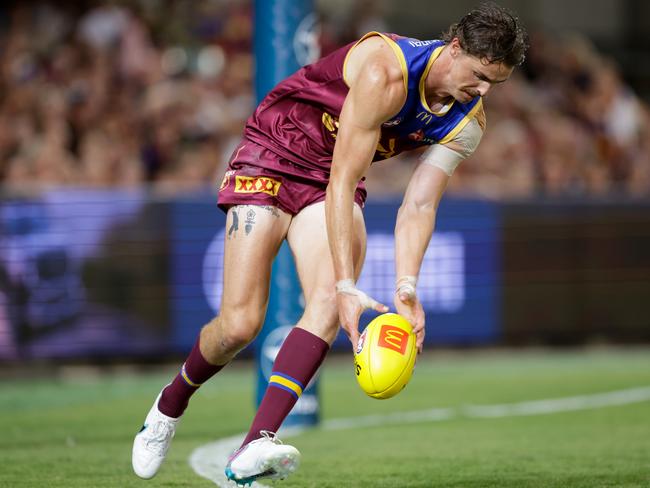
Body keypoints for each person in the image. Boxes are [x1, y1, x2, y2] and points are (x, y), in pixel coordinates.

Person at [132, 2, 527, 485]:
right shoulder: (386, 69)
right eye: (480, 75)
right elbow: (343, 180)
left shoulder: (469, 122)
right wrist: (346, 283)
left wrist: (406, 288)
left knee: (324, 302)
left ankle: (256, 442)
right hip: (273, 152)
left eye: (495, 84)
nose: (483, 91)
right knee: (239, 325)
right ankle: (168, 408)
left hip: (331, 178)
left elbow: (419, 205)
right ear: (456, 47)